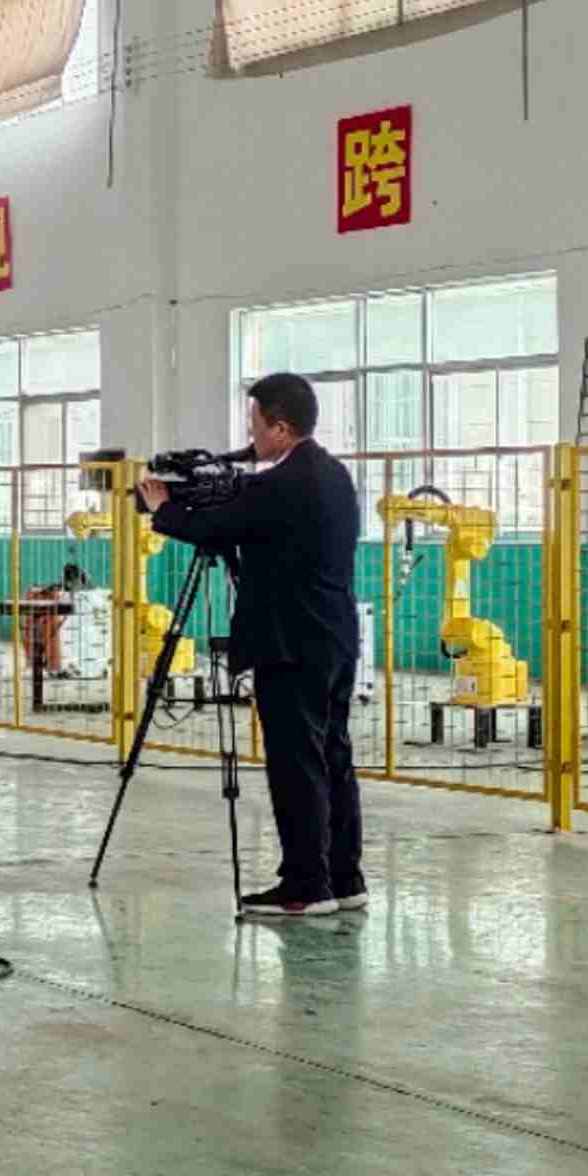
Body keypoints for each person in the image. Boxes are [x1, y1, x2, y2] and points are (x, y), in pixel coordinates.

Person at [140, 372, 364, 920]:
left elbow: (215, 527)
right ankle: (344, 878)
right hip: (334, 638)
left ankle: (305, 886)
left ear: (281, 427)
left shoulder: (280, 485)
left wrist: (163, 507)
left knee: (296, 764)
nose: (251, 435)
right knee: (333, 756)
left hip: (290, 643)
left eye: (255, 424)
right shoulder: (334, 475)